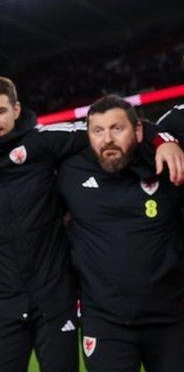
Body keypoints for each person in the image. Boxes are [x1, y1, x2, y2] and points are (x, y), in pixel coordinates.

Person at [0, 77, 183, 372]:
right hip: (1, 299)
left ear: (16, 109)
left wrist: (163, 140)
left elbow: (118, 124)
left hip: (56, 297)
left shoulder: (46, 142)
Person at [57, 95, 184, 372]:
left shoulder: (167, 165)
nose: (107, 139)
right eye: (98, 131)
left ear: (138, 131)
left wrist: (165, 141)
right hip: (105, 324)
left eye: (117, 128)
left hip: (171, 321)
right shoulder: (70, 170)